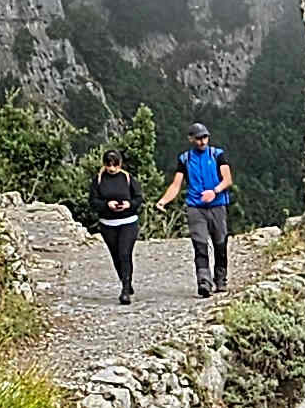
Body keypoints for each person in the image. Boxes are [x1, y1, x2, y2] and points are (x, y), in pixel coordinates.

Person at [156, 120, 235, 295]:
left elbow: (227, 179)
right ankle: (204, 282)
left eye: (205, 137)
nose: (202, 141)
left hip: (217, 204)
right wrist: (163, 201)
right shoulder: (185, 159)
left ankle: (220, 279)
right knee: (200, 245)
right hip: (195, 207)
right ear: (191, 139)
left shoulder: (217, 155)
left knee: (220, 243)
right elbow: (176, 184)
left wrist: (214, 191)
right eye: (198, 138)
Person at [86, 147, 144, 301]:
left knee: (125, 253)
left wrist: (129, 204)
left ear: (120, 164)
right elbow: (93, 201)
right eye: (108, 164)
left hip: (128, 222)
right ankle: (126, 281)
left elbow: (139, 198)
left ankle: (125, 289)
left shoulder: (128, 178)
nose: (112, 168)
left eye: (115, 165)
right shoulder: (98, 180)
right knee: (116, 255)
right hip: (107, 224)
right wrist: (107, 205)